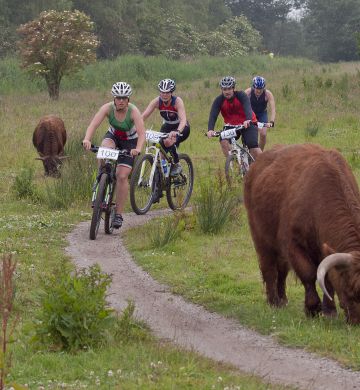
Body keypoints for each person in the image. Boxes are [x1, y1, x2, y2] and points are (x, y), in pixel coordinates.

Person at [82, 81, 145, 229]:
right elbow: (93, 125)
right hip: (113, 137)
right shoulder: (107, 108)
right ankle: (102, 177)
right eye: (118, 97)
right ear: (114, 98)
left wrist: (138, 149)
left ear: (128, 99)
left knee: (122, 176)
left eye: (124, 98)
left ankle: (118, 214)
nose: (121, 100)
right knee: (103, 150)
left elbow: (142, 134)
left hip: (130, 143)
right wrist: (87, 139)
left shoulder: (133, 111)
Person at [142, 78, 190, 176]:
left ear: (171, 93)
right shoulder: (157, 101)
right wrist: (135, 127)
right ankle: (165, 174)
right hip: (167, 126)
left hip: (182, 127)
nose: (164, 95)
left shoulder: (177, 101)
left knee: (169, 141)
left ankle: (177, 164)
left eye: (167, 92)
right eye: (162, 92)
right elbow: (143, 116)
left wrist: (177, 131)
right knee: (161, 149)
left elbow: (183, 120)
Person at [207, 76, 262, 160]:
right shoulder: (219, 100)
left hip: (247, 123)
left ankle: (265, 163)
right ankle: (234, 162)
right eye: (224, 89)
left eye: (229, 89)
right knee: (223, 140)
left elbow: (247, 107)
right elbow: (213, 114)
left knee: (253, 146)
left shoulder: (241, 95)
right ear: (222, 90)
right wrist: (210, 129)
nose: (227, 92)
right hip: (232, 126)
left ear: (233, 88)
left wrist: (248, 119)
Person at [245, 76, 276, 151]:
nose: (259, 91)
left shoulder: (267, 94)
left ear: (264, 88)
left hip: (262, 114)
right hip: (250, 114)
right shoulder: (248, 92)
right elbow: (239, 104)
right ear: (253, 87)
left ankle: (259, 154)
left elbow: (273, 109)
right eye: (257, 89)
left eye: (261, 89)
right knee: (251, 133)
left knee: (263, 134)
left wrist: (272, 121)